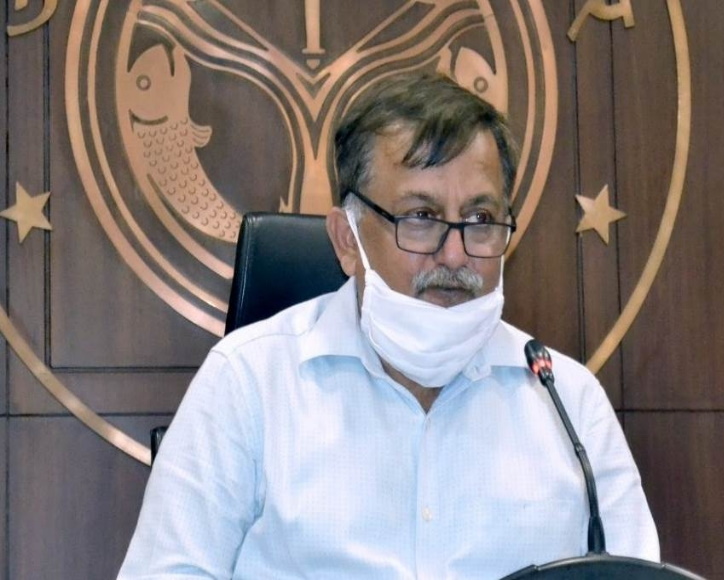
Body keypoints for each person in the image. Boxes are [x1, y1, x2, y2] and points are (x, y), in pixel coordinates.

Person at [118, 71, 659, 579]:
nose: (455, 254)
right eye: (420, 217)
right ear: (347, 240)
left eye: (480, 220)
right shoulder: (249, 382)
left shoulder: (567, 403)